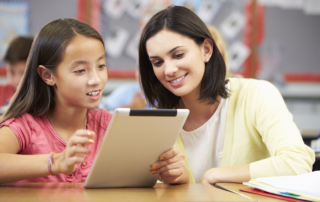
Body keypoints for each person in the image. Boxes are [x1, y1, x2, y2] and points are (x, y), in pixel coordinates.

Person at [139, 6, 315, 185]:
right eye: (158, 62)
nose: (168, 70)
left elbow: (297, 163)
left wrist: (217, 175)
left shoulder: (255, 95)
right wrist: (179, 179)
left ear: (206, 50)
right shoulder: (160, 120)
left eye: (178, 55)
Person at [0, 18, 188, 184]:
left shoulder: (110, 125)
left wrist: (175, 174)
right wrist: (56, 162)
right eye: (80, 70)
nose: (96, 80)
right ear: (48, 75)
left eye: (101, 66)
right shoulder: (26, 126)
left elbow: (152, 173)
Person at [0, 37, 33, 107]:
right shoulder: (1, 91)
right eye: (12, 72)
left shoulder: (40, 99)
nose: (17, 80)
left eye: (23, 72)